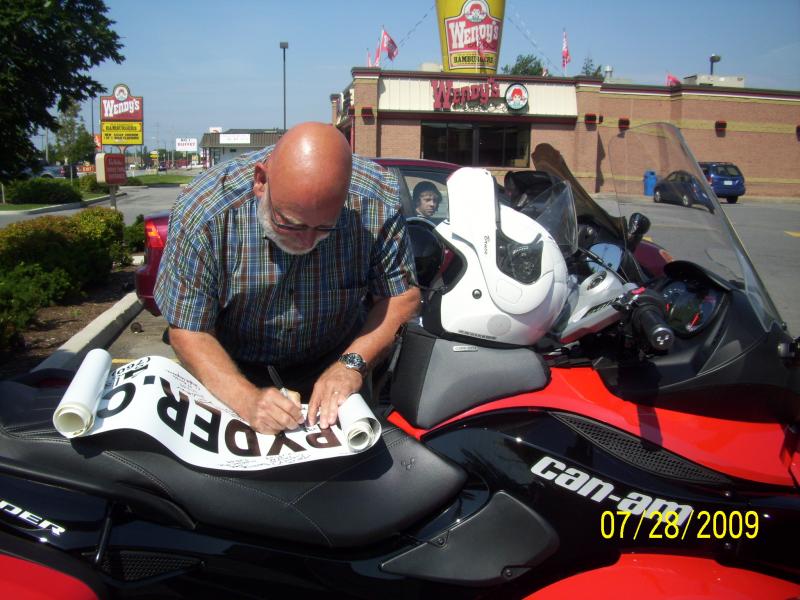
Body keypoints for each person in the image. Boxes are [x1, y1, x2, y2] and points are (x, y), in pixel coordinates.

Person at [154, 122, 420, 434]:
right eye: (291, 224)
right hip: (231, 366)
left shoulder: (377, 202)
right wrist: (246, 398)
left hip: (337, 360)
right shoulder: (205, 213)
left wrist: (352, 365)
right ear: (261, 182)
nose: (307, 243)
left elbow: (401, 297)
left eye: (325, 228)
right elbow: (189, 330)